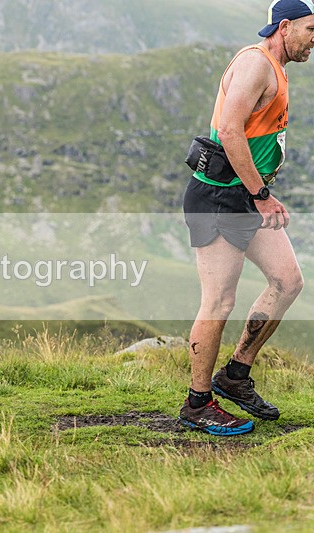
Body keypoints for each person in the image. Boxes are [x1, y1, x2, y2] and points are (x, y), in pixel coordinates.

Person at [179, 0, 312, 435]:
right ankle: (198, 404)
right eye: (312, 30)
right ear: (285, 26)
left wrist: (258, 192)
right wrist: (260, 195)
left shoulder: (276, 66)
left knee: (288, 281)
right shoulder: (256, 65)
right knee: (218, 301)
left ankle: (235, 375)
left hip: (245, 196)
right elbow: (232, 130)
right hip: (221, 198)